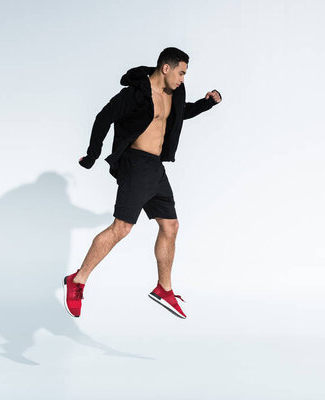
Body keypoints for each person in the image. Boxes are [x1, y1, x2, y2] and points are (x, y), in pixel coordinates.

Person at [63, 47, 222, 319]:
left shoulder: (174, 93)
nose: (183, 78)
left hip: (155, 167)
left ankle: (164, 288)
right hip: (135, 164)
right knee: (122, 228)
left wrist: (207, 103)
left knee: (170, 226)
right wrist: (92, 155)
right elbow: (104, 117)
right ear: (166, 68)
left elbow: (179, 114)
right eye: (181, 72)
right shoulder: (135, 94)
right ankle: (77, 280)